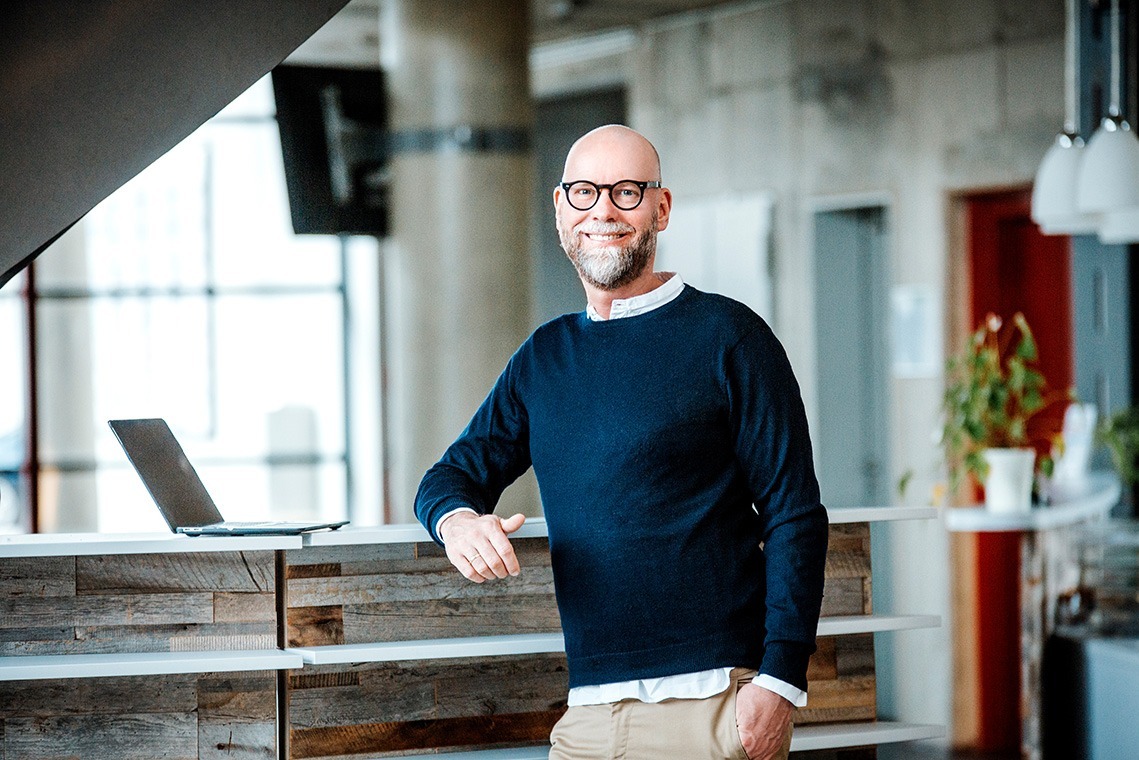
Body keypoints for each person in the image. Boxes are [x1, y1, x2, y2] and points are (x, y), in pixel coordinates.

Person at [415, 124, 828, 760]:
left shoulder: (730, 337)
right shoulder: (544, 358)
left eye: (626, 192)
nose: (603, 210)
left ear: (661, 208)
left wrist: (779, 684)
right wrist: (459, 522)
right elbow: (448, 477)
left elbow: (794, 514)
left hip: (714, 704)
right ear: (561, 209)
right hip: (588, 714)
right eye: (584, 192)